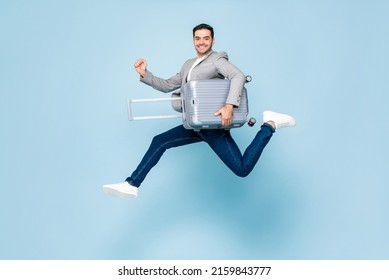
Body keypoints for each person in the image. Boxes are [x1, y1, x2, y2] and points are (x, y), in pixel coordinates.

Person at [103, 23, 296, 198]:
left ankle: (270, 124)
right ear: (193, 40)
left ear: (212, 40)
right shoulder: (188, 65)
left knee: (242, 169)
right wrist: (145, 73)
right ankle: (132, 183)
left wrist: (229, 105)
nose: (201, 42)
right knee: (159, 141)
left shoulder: (217, 60)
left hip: (212, 126)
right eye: (197, 38)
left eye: (206, 38)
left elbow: (238, 76)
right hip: (196, 125)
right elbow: (167, 85)